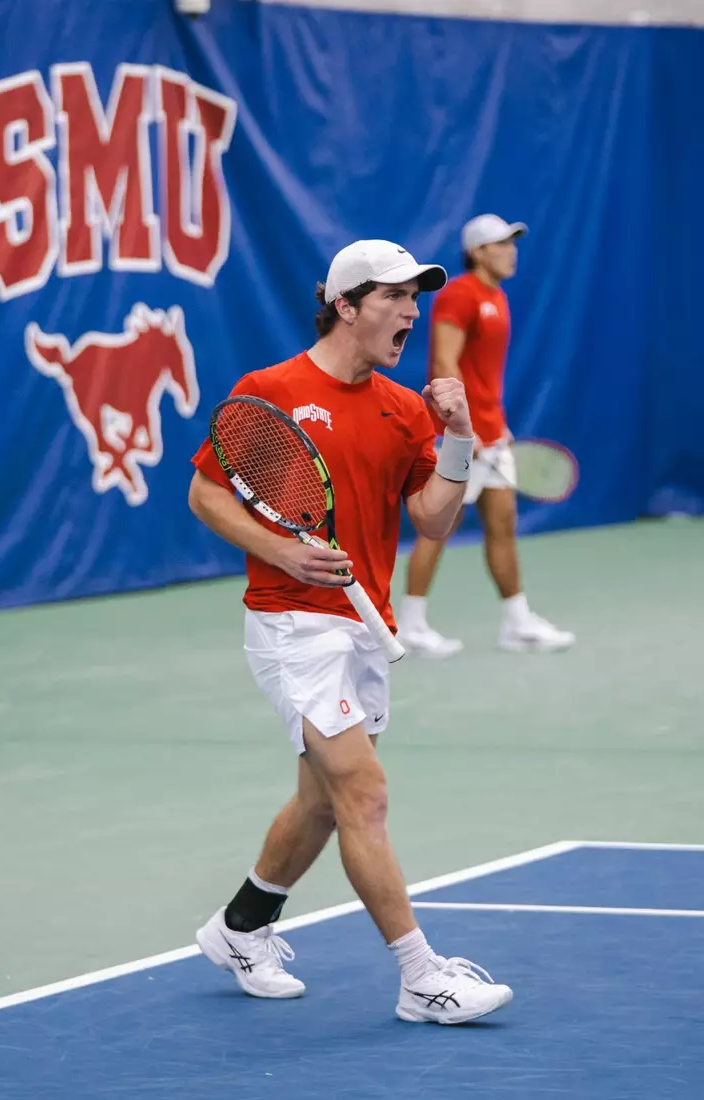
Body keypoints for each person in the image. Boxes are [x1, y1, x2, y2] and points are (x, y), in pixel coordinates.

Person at [187, 239, 514, 1025]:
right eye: (395, 297)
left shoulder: (405, 410)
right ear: (345, 305)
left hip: (365, 627)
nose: (411, 311)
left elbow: (433, 522)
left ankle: (238, 929)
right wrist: (281, 549)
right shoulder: (270, 393)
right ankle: (421, 977)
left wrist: (461, 436)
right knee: (364, 793)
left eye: (415, 297)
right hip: (292, 627)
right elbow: (206, 494)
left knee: (325, 801)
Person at [396, 214, 575, 657]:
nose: (512, 251)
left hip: (492, 432)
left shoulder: (497, 297)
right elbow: (444, 364)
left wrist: (497, 424)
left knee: (502, 526)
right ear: (478, 251)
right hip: (464, 434)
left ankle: (517, 622)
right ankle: (409, 625)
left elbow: (483, 375)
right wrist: (463, 428)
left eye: (513, 243)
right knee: (439, 527)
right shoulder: (459, 295)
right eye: (502, 244)